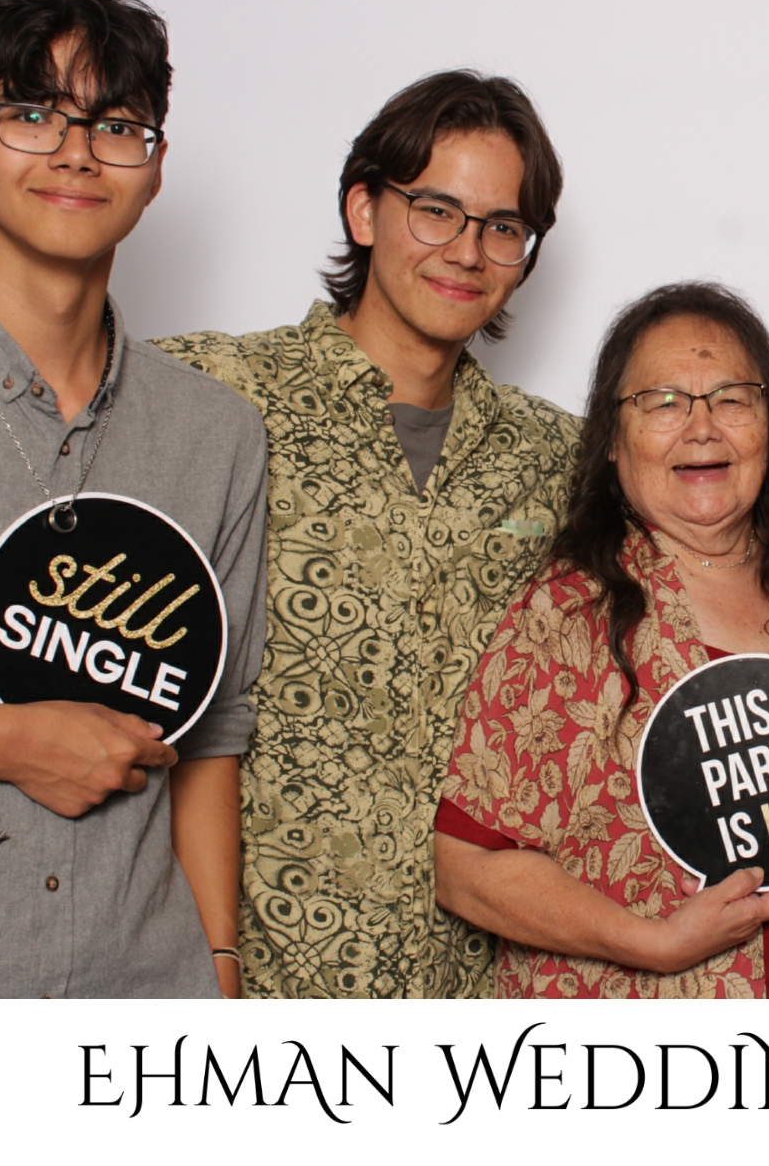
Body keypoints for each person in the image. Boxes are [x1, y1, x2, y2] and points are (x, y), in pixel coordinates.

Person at [153, 71, 581, 997]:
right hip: (247, 984)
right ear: (363, 209)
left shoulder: (554, 456)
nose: (466, 251)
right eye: (436, 210)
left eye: (503, 227)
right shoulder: (211, 393)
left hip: (472, 998)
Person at [0, 0, 268, 997]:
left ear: (152, 170)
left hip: (147, 996)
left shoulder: (216, 434)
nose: (75, 151)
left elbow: (211, 740)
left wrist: (219, 972)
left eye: (115, 126)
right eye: (31, 114)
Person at [433, 283, 769, 998]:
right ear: (612, 439)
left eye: (733, 398)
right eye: (663, 402)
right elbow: (467, 866)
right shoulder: (569, 617)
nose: (702, 428)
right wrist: (653, 943)